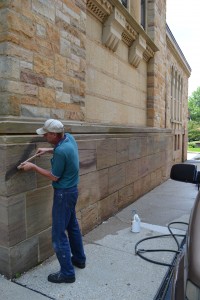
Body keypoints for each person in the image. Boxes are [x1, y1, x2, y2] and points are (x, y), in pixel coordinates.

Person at [19, 119, 86, 284]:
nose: (44, 136)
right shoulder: (69, 138)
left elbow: (54, 176)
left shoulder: (61, 151)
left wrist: (33, 167)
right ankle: (79, 259)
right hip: (72, 192)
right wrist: (49, 150)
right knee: (72, 226)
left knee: (58, 235)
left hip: (63, 194)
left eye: (46, 134)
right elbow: (62, 150)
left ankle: (67, 273)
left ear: (54, 134)